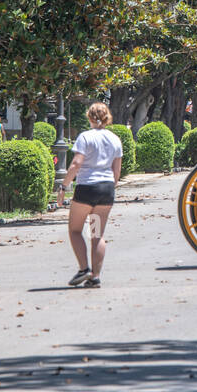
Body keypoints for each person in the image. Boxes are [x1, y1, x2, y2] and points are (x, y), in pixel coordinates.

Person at [58, 102, 123, 288]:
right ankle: (95, 276)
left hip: (86, 189)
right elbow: (116, 170)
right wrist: (111, 187)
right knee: (97, 235)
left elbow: (76, 164)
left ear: (89, 117)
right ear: (107, 117)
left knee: (76, 230)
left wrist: (64, 186)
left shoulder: (85, 137)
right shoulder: (115, 139)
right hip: (106, 189)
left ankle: (84, 268)